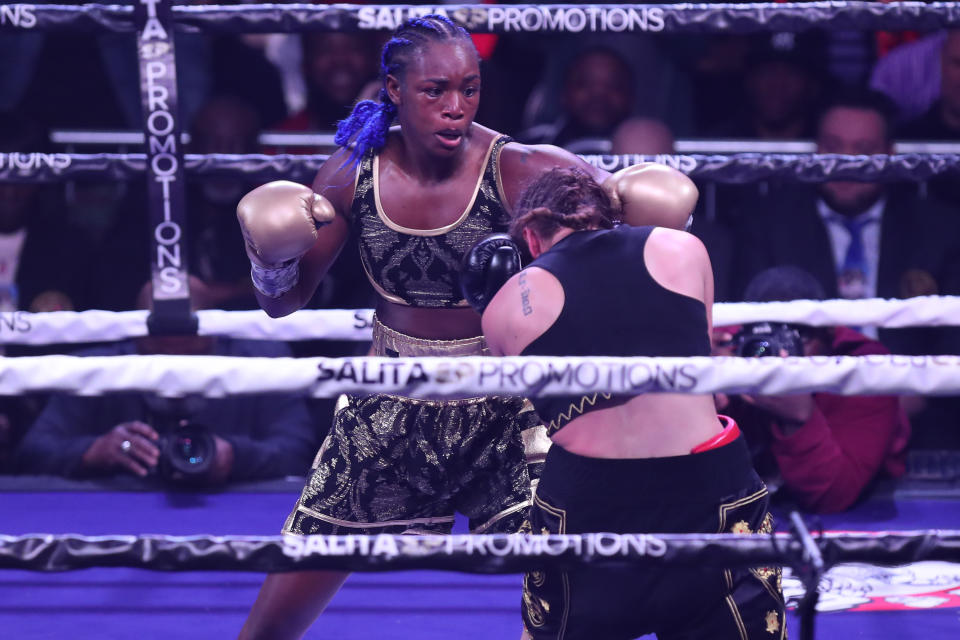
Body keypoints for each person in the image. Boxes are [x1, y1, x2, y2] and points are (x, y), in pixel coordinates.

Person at [233, 15, 697, 640]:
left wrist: (646, 217)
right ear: (394, 91)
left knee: (578, 590)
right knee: (279, 610)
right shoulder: (352, 175)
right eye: (435, 91)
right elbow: (284, 305)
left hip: (510, 403)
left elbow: (620, 237)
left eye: (469, 89)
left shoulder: (520, 170)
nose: (455, 108)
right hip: (391, 401)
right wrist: (270, 255)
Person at [477, 167, 784, 639]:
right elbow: (697, 364)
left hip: (587, 499)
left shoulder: (503, 310)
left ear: (531, 241)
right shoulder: (683, 249)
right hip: (705, 483)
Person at [14, 277, 317, 484]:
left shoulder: (261, 361)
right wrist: (92, 452)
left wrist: (235, 456)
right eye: (160, 356)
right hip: (116, 511)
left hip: (231, 509)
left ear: (212, 333)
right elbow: (33, 452)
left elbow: (301, 453)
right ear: (136, 337)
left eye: (187, 357)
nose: (173, 372)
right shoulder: (94, 366)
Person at [714, 266, 910, 513]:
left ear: (829, 333)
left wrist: (799, 419)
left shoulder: (862, 366)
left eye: (796, 338)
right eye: (766, 339)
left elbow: (832, 498)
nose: (778, 353)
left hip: (864, 508)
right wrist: (705, 396)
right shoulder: (732, 348)